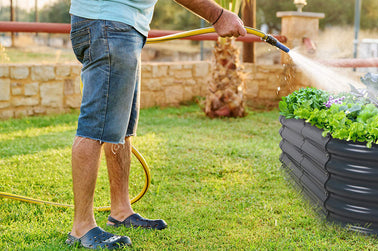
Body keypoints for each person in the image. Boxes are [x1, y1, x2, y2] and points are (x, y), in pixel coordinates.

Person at [66, 0, 247, 249]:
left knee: (121, 129)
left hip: (121, 25)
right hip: (109, 23)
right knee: (95, 127)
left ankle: (121, 210)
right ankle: (82, 227)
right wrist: (217, 15)